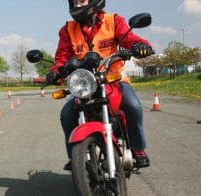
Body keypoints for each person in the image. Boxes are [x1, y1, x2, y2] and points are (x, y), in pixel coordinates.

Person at [47, 0, 152, 171]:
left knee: (133, 106)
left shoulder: (114, 21)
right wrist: (55, 72)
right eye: (74, 2)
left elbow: (129, 38)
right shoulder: (68, 29)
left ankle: (138, 149)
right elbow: (62, 57)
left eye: (81, 1)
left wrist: (140, 46)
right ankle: (75, 157)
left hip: (114, 79)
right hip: (85, 84)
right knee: (66, 114)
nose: (77, 5)